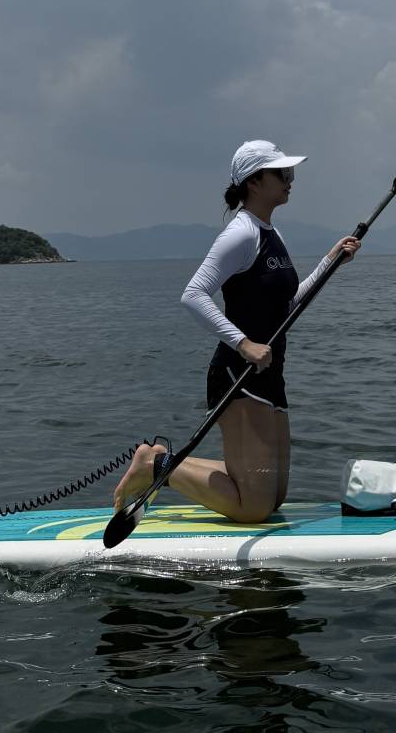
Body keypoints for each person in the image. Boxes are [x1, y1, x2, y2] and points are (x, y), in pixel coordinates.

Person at [112, 139, 362, 524]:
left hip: (270, 374)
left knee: (273, 497)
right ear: (254, 182)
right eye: (281, 173)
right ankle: (154, 464)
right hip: (238, 374)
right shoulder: (241, 234)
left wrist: (330, 262)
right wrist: (243, 344)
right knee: (253, 507)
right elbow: (193, 294)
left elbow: (288, 306)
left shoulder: (272, 234)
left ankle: (168, 465)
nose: (290, 179)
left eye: (289, 172)